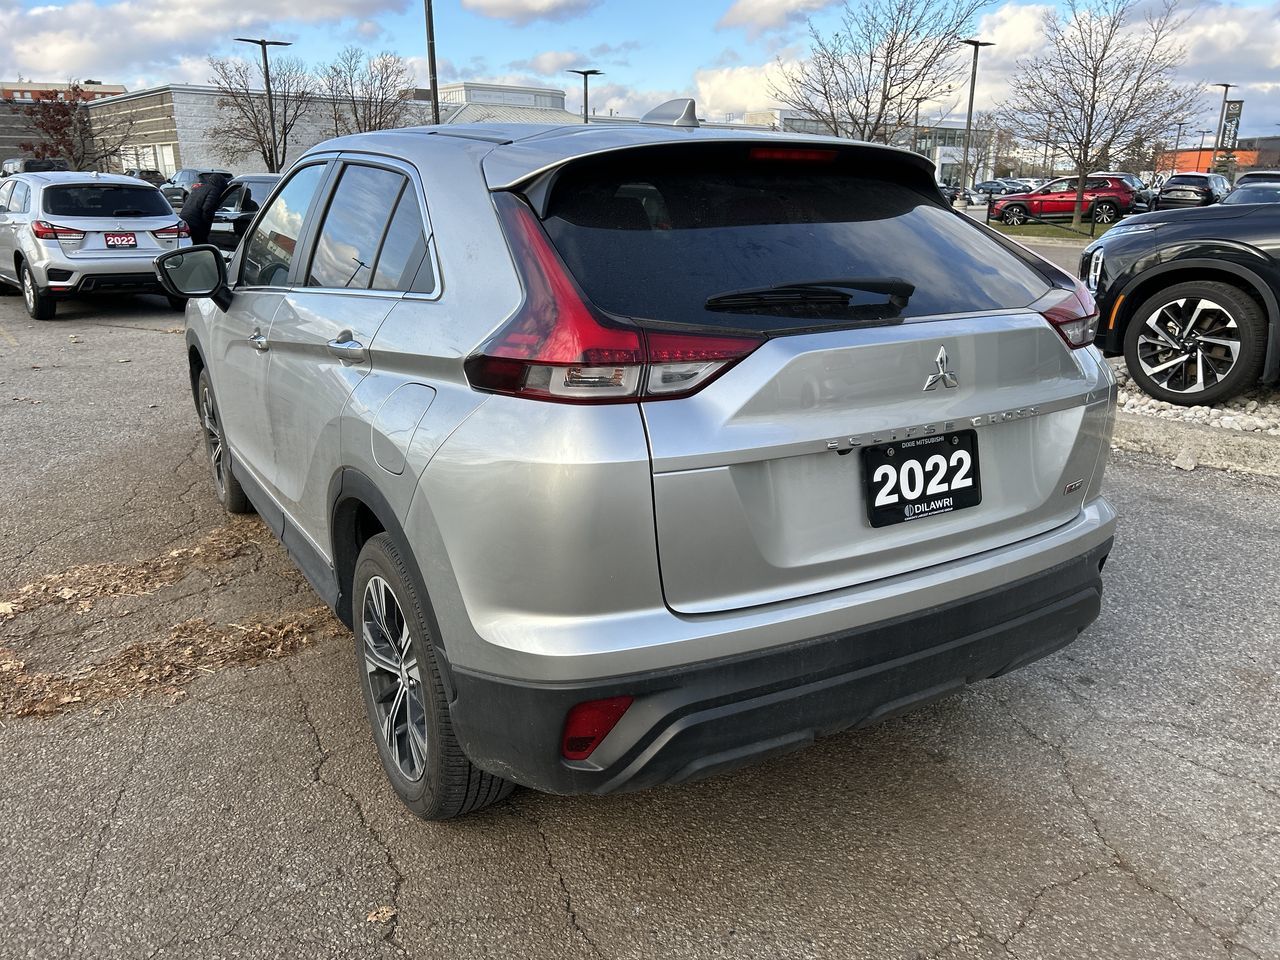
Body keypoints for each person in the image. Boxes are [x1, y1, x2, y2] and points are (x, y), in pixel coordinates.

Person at [180, 172, 231, 246]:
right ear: (221, 184)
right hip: (196, 224)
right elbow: (207, 209)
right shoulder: (214, 190)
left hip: (184, 221)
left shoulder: (199, 188)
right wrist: (206, 226)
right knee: (202, 247)